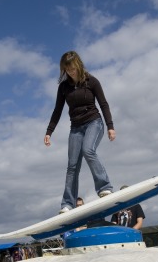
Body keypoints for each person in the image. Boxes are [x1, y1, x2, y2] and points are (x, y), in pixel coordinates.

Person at [44, 51, 115, 213]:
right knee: (72, 166)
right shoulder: (64, 87)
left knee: (88, 150)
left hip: (94, 122)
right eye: (67, 69)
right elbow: (57, 110)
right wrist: (49, 131)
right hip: (75, 128)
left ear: (78, 65)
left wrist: (110, 126)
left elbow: (104, 104)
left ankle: (105, 187)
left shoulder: (92, 81)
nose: (70, 72)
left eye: (72, 68)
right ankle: (68, 203)